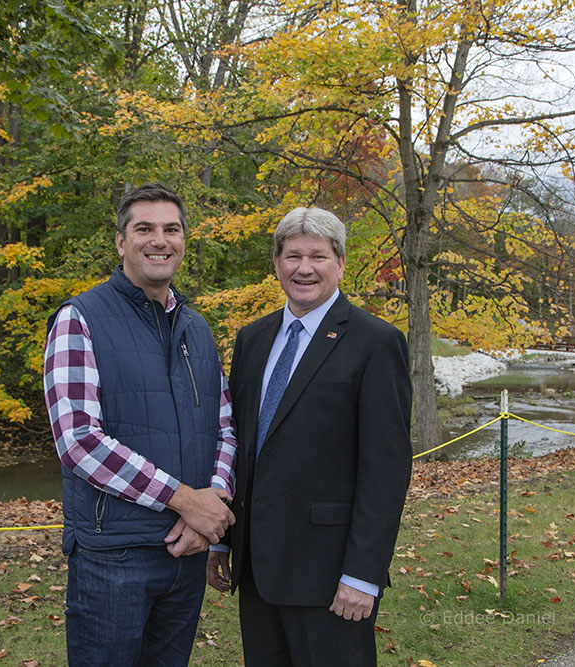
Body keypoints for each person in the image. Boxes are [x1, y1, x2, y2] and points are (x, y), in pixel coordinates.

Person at [207, 206, 411, 666]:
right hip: (258, 568)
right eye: (292, 256)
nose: (304, 268)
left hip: (331, 575)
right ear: (276, 263)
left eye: (317, 256)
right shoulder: (252, 340)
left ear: (339, 263)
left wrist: (363, 575)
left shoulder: (376, 343)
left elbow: (387, 470)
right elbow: (239, 445)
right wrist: (222, 537)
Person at [43, 183, 237, 666]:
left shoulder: (197, 328)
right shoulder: (79, 318)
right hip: (113, 559)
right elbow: (80, 441)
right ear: (120, 241)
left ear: (184, 240)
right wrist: (184, 500)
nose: (160, 240)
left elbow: (226, 430)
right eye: (144, 228)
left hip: (185, 554)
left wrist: (209, 509)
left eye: (171, 229)